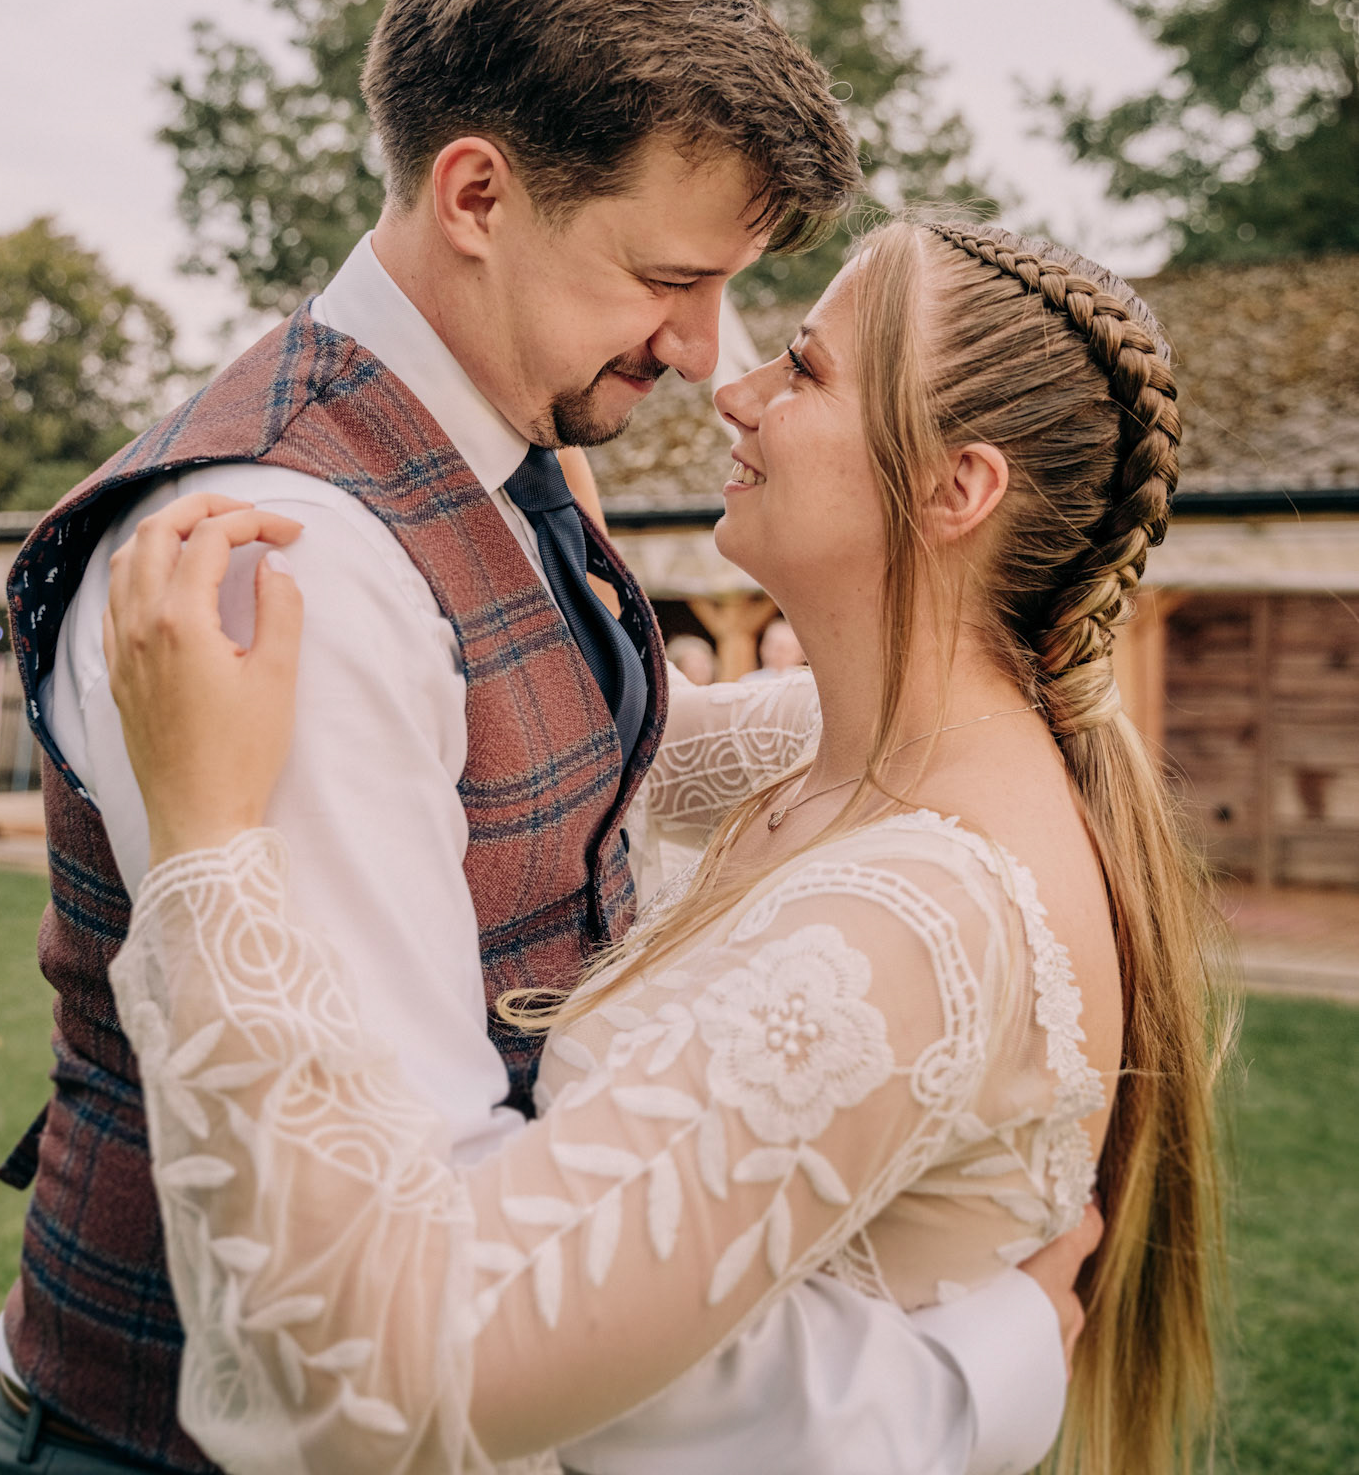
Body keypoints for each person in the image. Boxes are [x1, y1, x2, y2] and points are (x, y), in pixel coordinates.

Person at [0, 0, 1085, 1475]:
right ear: (477, 194)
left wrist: (969, 710)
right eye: (668, 278)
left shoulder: (502, 458)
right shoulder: (294, 568)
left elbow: (595, 759)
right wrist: (963, 1378)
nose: (706, 352)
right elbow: (403, 1308)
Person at [95, 219, 1225, 1475]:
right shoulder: (846, 744)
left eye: (803, 369)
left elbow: (391, 1380)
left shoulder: (915, 923)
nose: (733, 390)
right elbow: (620, 735)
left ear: (957, 487)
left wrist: (208, 843)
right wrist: (534, 538)